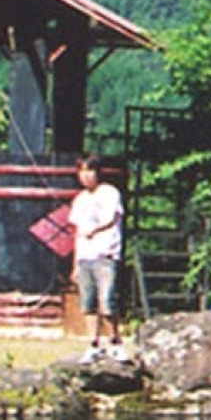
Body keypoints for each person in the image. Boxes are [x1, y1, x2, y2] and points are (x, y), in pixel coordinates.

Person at [68, 155, 125, 362]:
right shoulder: (79, 200)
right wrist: (75, 264)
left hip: (105, 255)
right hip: (85, 258)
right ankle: (94, 343)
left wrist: (94, 229)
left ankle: (115, 342)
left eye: (90, 171)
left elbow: (112, 218)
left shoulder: (109, 193)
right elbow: (77, 233)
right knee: (88, 304)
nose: (86, 176)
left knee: (107, 301)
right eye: (82, 171)